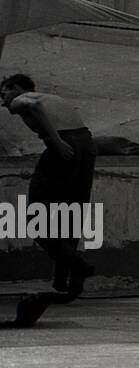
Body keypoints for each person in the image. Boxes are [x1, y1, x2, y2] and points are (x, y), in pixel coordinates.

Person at [1, 74, 96, 299]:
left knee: (36, 219)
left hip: (65, 145)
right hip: (86, 144)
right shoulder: (53, 97)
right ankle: (66, 281)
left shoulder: (23, 99)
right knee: (72, 212)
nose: (3, 100)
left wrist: (56, 142)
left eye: (3, 93)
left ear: (15, 88)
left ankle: (77, 265)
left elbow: (31, 105)